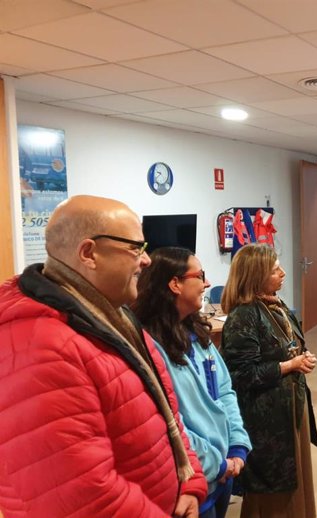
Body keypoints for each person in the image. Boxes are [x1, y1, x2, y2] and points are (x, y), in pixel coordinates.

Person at [0, 195, 207, 517]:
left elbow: (166, 410)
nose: (147, 260)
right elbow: (82, 498)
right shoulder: (42, 347)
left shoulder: (114, 319)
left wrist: (189, 482)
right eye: (135, 247)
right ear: (89, 254)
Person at [133, 247, 252, 518]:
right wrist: (216, 465)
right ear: (175, 284)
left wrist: (236, 445)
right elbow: (171, 423)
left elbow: (225, 391)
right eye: (200, 275)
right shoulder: (150, 347)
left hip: (223, 470)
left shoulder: (197, 334)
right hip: (193, 481)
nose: (207, 283)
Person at [220, 243, 317, 518]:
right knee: (271, 489)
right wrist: (290, 365)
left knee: (294, 480)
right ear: (256, 275)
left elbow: (287, 346)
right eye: (275, 269)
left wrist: (302, 356)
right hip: (266, 421)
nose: (283, 273)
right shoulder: (243, 316)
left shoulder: (276, 304)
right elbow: (241, 375)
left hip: (288, 410)